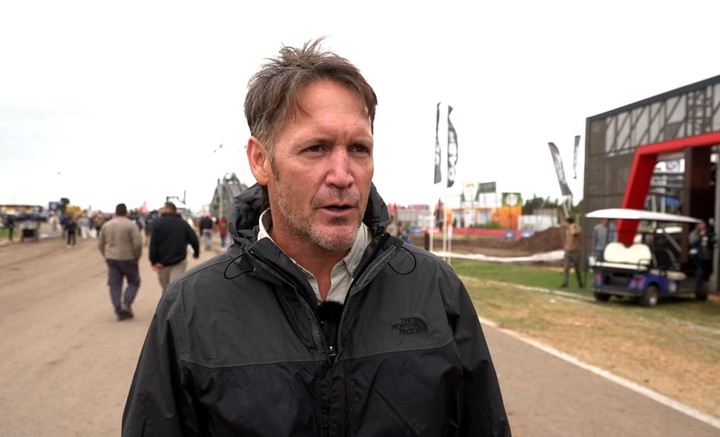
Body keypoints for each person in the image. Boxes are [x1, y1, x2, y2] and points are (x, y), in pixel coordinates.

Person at [122, 39, 510, 436]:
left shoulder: (435, 289)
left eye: (359, 148)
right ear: (261, 160)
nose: (343, 175)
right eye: (316, 148)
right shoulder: (192, 307)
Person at [97, 203, 143, 321]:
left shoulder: (107, 225)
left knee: (115, 285)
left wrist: (106, 255)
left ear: (115, 211)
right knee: (134, 282)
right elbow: (137, 243)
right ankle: (126, 303)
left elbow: (100, 243)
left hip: (112, 258)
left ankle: (118, 310)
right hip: (128, 258)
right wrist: (136, 256)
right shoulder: (131, 225)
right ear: (126, 212)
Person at [148, 201, 200, 293]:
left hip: (162, 264)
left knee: (166, 291)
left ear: (168, 209)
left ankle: (167, 307)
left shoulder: (158, 223)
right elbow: (193, 239)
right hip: (179, 262)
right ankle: (173, 306)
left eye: (164, 208)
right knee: (174, 289)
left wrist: (154, 261)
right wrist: (196, 253)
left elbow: (153, 244)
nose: (162, 210)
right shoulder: (183, 223)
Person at [689, 219, 715, 292]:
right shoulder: (695, 233)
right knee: (700, 271)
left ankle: (703, 287)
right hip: (697, 256)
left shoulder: (709, 232)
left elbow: (713, 241)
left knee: (706, 271)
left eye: (703, 224)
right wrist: (700, 236)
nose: (701, 226)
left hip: (707, 256)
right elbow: (691, 241)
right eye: (700, 224)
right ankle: (697, 287)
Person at [561, 216, 584, 288]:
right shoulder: (566, 230)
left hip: (576, 252)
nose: (565, 224)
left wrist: (572, 226)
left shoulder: (577, 228)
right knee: (566, 268)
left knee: (577, 269)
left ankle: (580, 283)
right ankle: (565, 283)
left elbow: (574, 233)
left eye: (566, 222)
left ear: (569, 223)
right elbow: (565, 239)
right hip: (568, 252)